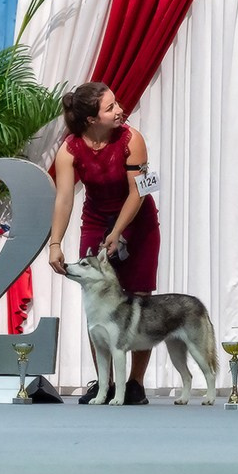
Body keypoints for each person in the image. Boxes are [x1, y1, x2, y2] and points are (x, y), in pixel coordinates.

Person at [48, 82, 161, 405]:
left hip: (137, 220)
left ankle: (135, 383)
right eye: (110, 108)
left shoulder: (131, 140)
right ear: (90, 120)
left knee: (139, 300)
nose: (119, 111)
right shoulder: (69, 150)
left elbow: (139, 191)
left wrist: (118, 232)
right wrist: (55, 243)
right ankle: (104, 383)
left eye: (117, 103)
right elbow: (65, 198)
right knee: (97, 301)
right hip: (97, 219)